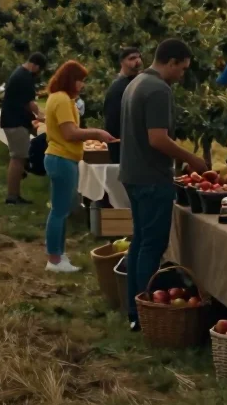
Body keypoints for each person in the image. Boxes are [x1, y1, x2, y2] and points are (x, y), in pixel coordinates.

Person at [120, 39, 207, 329]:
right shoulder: (158, 89)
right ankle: (145, 313)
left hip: (132, 175)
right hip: (151, 178)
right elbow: (157, 138)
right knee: (152, 247)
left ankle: (133, 310)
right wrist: (191, 159)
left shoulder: (134, 84)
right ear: (170, 62)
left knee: (139, 241)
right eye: (181, 69)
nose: (181, 75)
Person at [42, 61, 116, 272]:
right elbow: (70, 133)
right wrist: (97, 133)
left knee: (61, 209)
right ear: (70, 79)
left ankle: (58, 255)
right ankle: (54, 260)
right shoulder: (63, 100)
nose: (82, 85)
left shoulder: (57, 98)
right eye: (80, 80)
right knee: (59, 211)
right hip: (62, 159)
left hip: (61, 158)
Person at [1, 52, 46, 205]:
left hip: (12, 121)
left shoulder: (19, 74)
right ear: (35, 66)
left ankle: (14, 194)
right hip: (15, 122)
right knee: (18, 159)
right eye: (39, 71)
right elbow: (30, 103)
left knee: (18, 157)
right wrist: (41, 116)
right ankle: (12, 196)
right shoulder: (24, 77)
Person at [102, 48, 142, 163]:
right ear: (122, 62)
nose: (137, 61)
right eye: (132, 58)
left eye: (139, 57)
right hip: (123, 148)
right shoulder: (118, 87)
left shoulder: (138, 83)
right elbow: (113, 121)